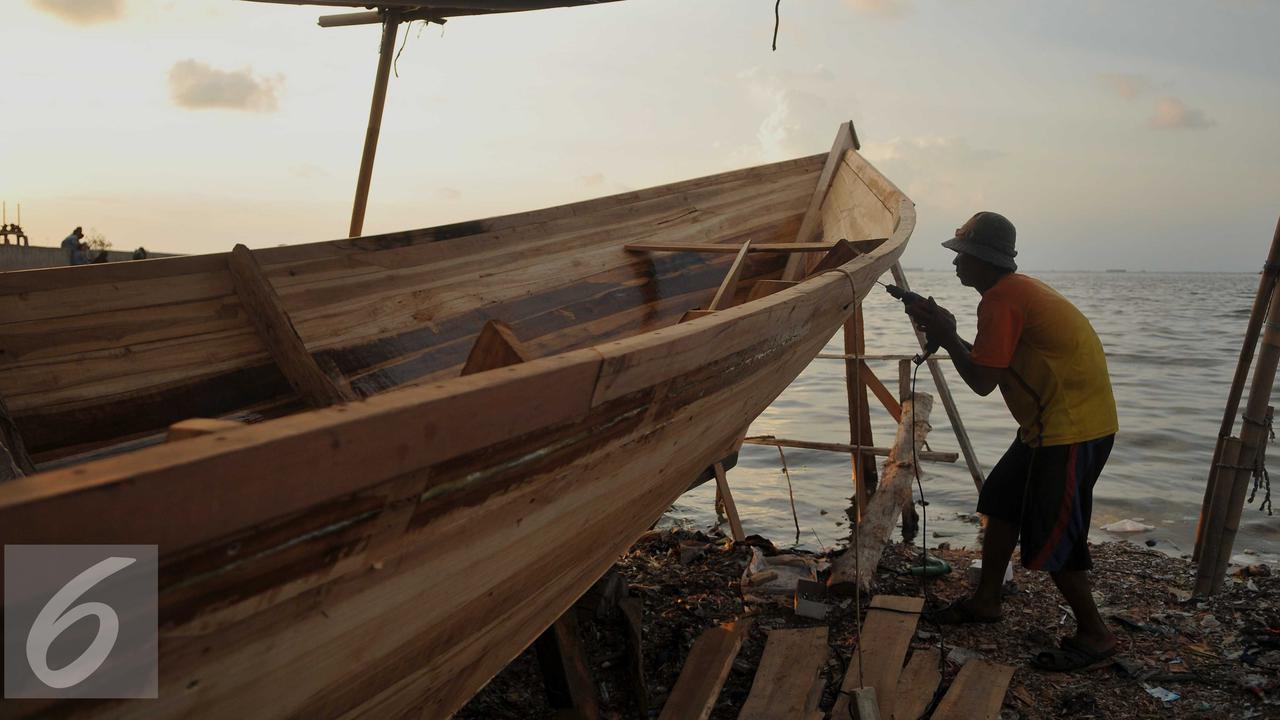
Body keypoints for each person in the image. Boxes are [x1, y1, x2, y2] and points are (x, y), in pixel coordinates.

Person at [904, 211, 1119, 672]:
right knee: (1000, 499)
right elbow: (989, 362)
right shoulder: (1014, 293)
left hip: (1070, 432)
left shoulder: (1000, 300)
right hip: (1053, 427)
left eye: (962, 256)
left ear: (983, 260)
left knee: (1052, 532)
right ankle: (987, 599)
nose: (956, 264)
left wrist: (944, 333)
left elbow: (982, 380)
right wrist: (949, 331)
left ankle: (1096, 635)